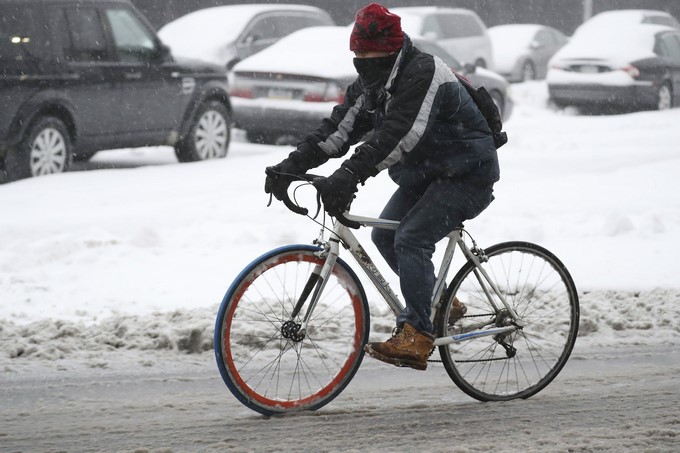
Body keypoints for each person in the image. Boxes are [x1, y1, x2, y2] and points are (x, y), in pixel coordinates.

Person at [264, 3, 500, 371]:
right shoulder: (373, 82)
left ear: (391, 50)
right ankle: (439, 302)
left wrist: (349, 175)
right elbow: (338, 131)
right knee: (385, 237)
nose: (361, 60)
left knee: (411, 238)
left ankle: (418, 334)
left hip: (469, 173)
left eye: (368, 53)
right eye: (356, 53)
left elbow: (399, 136)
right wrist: (292, 165)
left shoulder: (424, 74)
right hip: (426, 174)